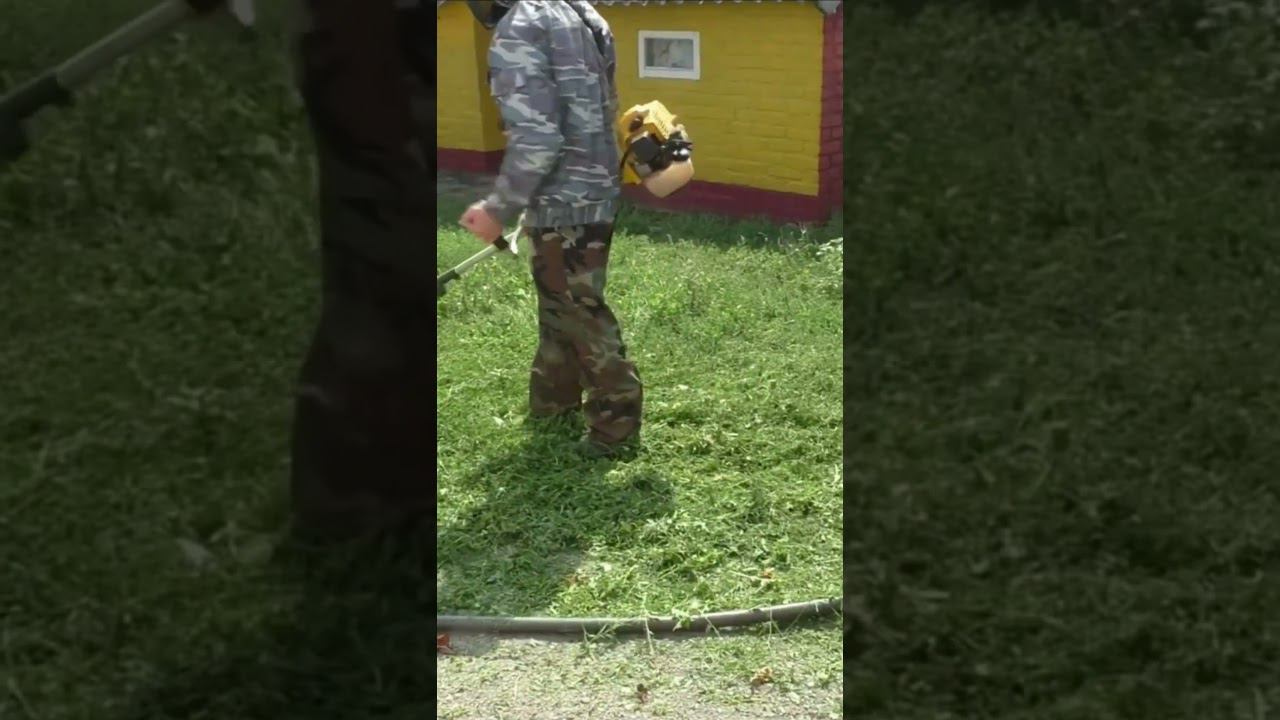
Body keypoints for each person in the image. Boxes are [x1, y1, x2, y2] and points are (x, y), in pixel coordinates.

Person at [458, 0, 644, 458]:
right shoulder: (581, 12)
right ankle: (553, 403)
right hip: (595, 183)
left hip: (565, 194)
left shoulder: (519, 26)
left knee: (579, 309)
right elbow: (603, 101)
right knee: (559, 300)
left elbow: (538, 137)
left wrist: (499, 207)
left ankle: (616, 425)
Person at [286, 0, 433, 540]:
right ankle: (362, 504)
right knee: (382, 266)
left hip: (390, 40)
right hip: (375, 38)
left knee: (389, 265)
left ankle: (381, 497)